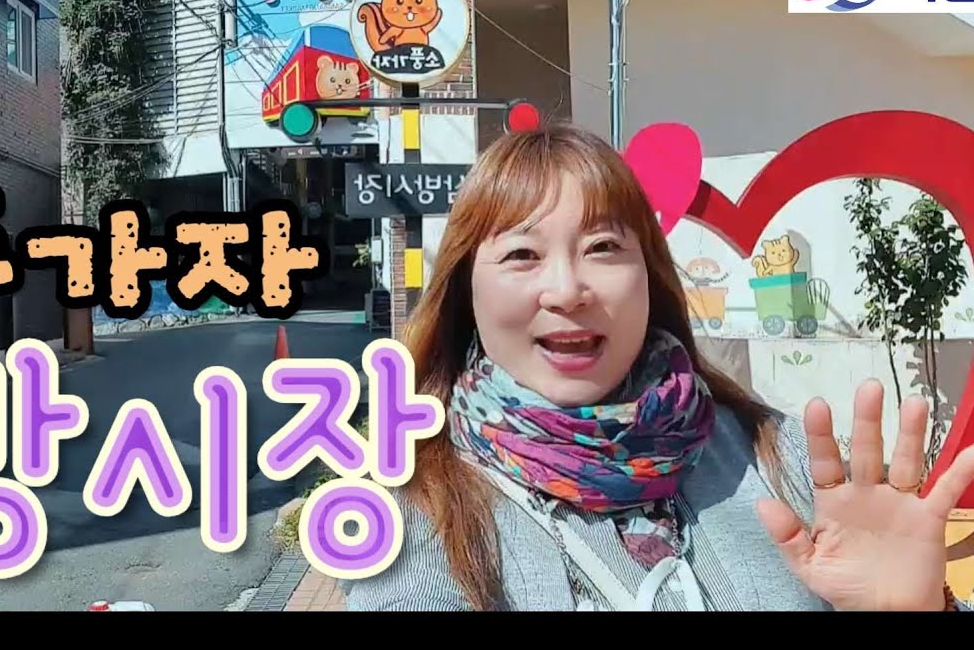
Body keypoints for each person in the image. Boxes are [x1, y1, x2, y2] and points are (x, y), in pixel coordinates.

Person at [341, 123, 974, 611]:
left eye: (603, 247)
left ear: (648, 275)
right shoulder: (412, 508)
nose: (567, 290)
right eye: (522, 255)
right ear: (466, 290)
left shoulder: (778, 457)